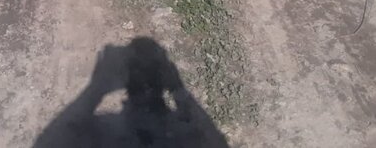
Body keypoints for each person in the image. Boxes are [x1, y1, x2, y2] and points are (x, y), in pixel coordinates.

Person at [34, 37, 230, 148]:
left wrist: (96, 88)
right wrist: (177, 88)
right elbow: (213, 140)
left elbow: (51, 141)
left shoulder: (102, 133)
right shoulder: (183, 137)